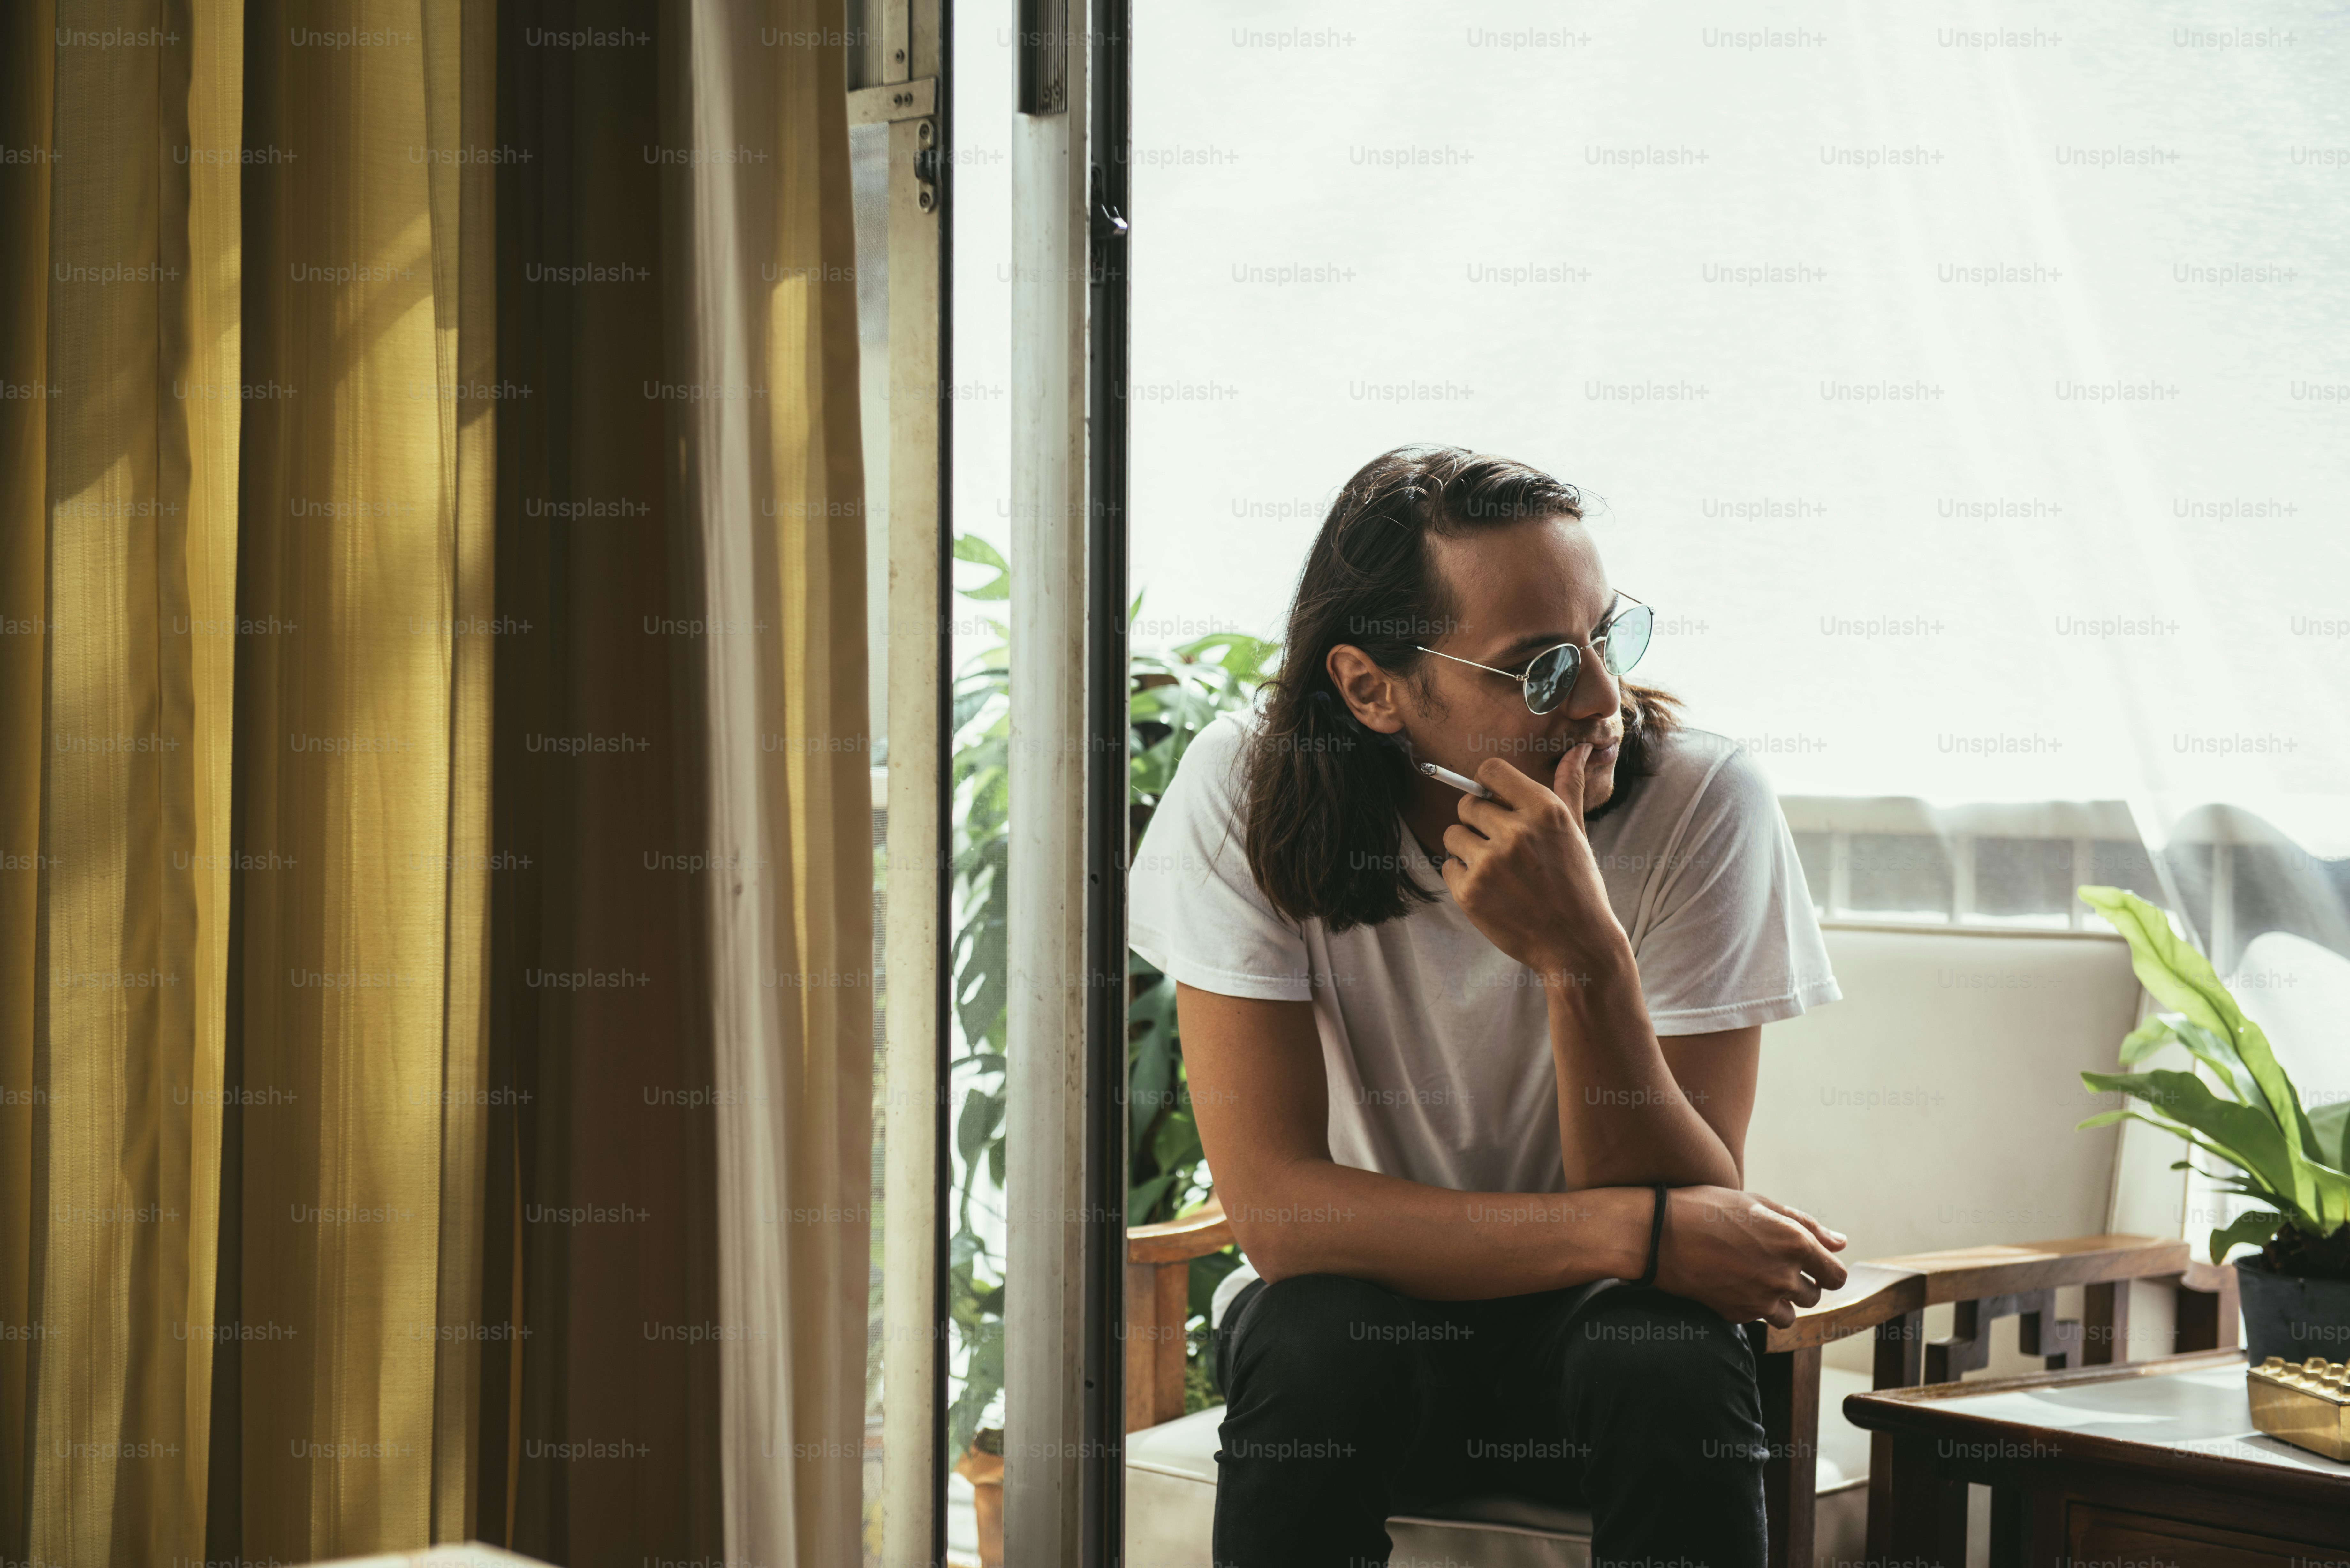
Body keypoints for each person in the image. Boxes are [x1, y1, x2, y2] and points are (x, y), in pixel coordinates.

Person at [1126, 445, 1851, 1568]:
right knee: (1312, 1333)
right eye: (1544, 669)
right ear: (1371, 690)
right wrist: (1632, 1232)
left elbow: (1696, 1206)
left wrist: (1584, 957)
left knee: (1663, 1350)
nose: (1605, 699)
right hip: (1372, 1345)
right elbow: (1278, 1216)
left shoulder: (1705, 799)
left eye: (1609, 638)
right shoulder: (1245, 790)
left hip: (1605, 1347)